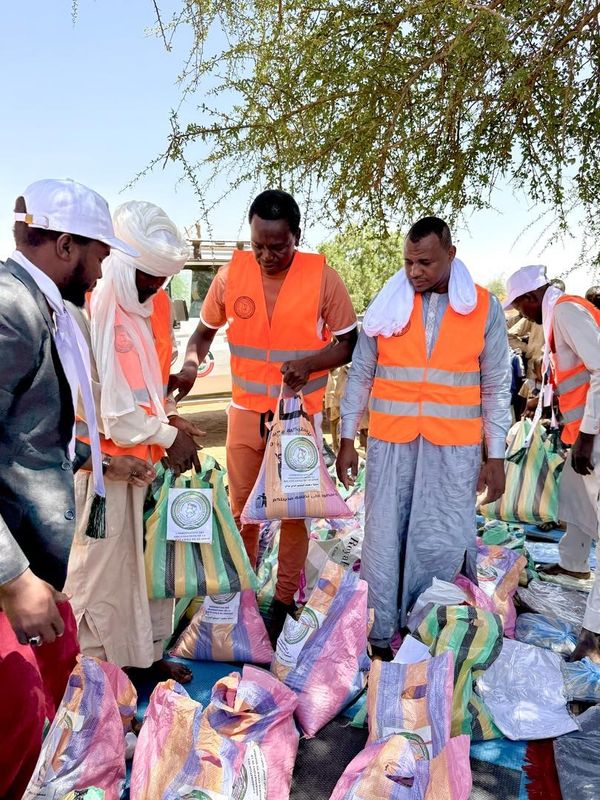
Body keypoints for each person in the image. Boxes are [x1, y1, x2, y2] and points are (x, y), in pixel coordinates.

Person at [0, 179, 149, 798]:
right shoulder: (12, 311)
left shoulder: (45, 311)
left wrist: (99, 460)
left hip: (35, 549)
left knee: (60, 687)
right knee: (16, 718)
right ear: (64, 244)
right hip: (13, 560)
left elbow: (32, 432)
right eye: (99, 254)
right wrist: (11, 578)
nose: (104, 270)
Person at [169, 189, 358, 640]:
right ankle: (244, 595)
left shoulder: (323, 279)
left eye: (278, 246)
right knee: (241, 514)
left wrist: (310, 364)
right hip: (244, 417)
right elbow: (202, 334)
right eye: (258, 245)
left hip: (297, 419)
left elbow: (349, 342)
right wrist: (191, 367)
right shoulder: (231, 275)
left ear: (297, 237)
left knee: (294, 514)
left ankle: (284, 599)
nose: (267, 255)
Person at [336, 216, 511, 660]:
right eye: (409, 261)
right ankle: (379, 632)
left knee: (441, 538)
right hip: (392, 443)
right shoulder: (387, 304)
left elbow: (495, 385)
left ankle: (430, 632)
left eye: (426, 262)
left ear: (451, 255)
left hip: (454, 449)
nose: (415, 272)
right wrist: (345, 437)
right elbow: (360, 373)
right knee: (383, 535)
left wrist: (497, 454)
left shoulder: (484, 308)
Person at [65, 201, 201, 682]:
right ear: (123, 262)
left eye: (162, 280)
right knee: (103, 580)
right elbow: (114, 412)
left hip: (143, 463)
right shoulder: (102, 302)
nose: (154, 287)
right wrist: (167, 435)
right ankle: (97, 682)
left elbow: (146, 387)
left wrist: (172, 422)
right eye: (147, 276)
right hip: (104, 467)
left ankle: (144, 659)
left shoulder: (151, 303)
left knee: (148, 574)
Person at [503, 264, 600, 662]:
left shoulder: (564, 312)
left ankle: (594, 633)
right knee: (575, 505)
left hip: (595, 434)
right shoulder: (557, 315)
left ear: (529, 299)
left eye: (519, 307)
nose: (522, 315)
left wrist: (588, 436)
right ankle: (574, 564)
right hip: (581, 432)